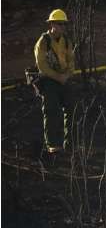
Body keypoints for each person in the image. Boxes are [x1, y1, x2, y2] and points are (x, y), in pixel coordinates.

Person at [34, 9, 75, 153]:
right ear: (51, 24)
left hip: (64, 79)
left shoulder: (67, 41)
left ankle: (70, 143)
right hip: (48, 80)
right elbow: (42, 66)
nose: (62, 27)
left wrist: (67, 75)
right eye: (59, 24)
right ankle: (53, 145)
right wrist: (58, 77)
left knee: (72, 109)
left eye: (64, 24)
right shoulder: (43, 42)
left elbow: (71, 62)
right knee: (51, 111)